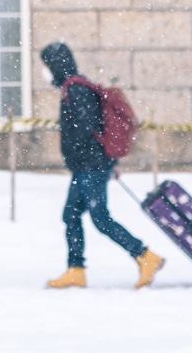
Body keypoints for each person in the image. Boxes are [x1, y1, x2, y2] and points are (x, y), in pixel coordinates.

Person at [40, 42, 163, 290]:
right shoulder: (73, 86)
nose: (45, 71)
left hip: (90, 166)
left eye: (46, 65)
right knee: (71, 215)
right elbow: (95, 129)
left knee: (101, 219)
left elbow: (87, 129)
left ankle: (145, 256)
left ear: (55, 64)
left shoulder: (75, 89)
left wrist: (95, 160)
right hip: (87, 165)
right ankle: (76, 270)